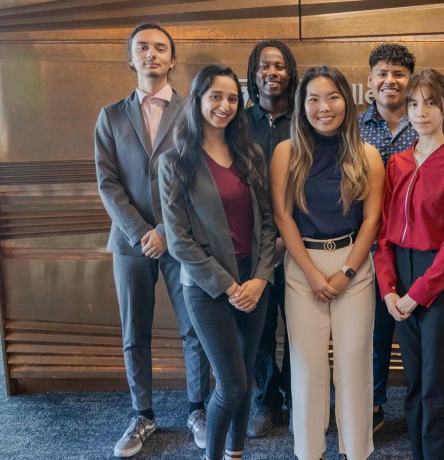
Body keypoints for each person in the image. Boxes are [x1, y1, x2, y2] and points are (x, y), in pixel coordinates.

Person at [94, 22, 210, 458]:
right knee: (133, 332)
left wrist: (164, 230)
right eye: (143, 47)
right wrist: (142, 231)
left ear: (172, 59)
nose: (152, 54)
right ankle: (142, 414)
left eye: (161, 48)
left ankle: (197, 409)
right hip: (129, 243)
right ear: (131, 58)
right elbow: (107, 183)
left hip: (180, 239)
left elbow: (197, 175)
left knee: (194, 329)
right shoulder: (110, 115)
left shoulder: (192, 111)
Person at [158, 64, 276, 460]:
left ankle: (235, 453)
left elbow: (267, 221)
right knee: (231, 384)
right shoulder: (176, 161)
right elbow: (178, 240)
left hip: (253, 284)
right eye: (215, 97)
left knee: (245, 377)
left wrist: (260, 278)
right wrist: (229, 286)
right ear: (197, 100)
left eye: (231, 98)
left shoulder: (250, 154)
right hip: (209, 288)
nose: (224, 106)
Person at [270, 65, 384, 460]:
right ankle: (309, 452)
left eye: (333, 97)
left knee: (353, 363)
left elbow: (372, 218)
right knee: (306, 366)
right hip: (304, 265)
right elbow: (283, 217)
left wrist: (348, 271)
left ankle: (356, 452)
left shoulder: (367, 153)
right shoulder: (286, 152)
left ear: (347, 102)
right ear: (302, 105)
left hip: (354, 264)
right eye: (313, 99)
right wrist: (314, 273)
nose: (324, 107)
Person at [374, 69, 444, 460]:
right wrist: (388, 289)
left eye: (430, 103)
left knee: (435, 385)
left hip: (439, 280)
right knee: (413, 382)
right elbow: (384, 234)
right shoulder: (397, 163)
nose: (420, 112)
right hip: (400, 273)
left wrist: (416, 295)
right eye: (414, 104)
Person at [358, 43, 444, 433]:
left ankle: (424, 420)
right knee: (375, 335)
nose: (390, 80)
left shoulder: (436, 136)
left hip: (420, 253)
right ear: (369, 81)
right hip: (370, 248)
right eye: (382, 73)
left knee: (423, 350)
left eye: (398, 74)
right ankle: (374, 405)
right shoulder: (355, 127)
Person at [244, 39, 299, 438]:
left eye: (279, 65)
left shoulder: (306, 118)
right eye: (265, 66)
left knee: (299, 327)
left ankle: (297, 397)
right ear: (254, 73)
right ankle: (265, 398)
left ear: (290, 72)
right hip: (252, 246)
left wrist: (286, 237)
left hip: (298, 242)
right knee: (260, 328)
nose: (272, 72)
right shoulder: (238, 123)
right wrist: (267, 241)